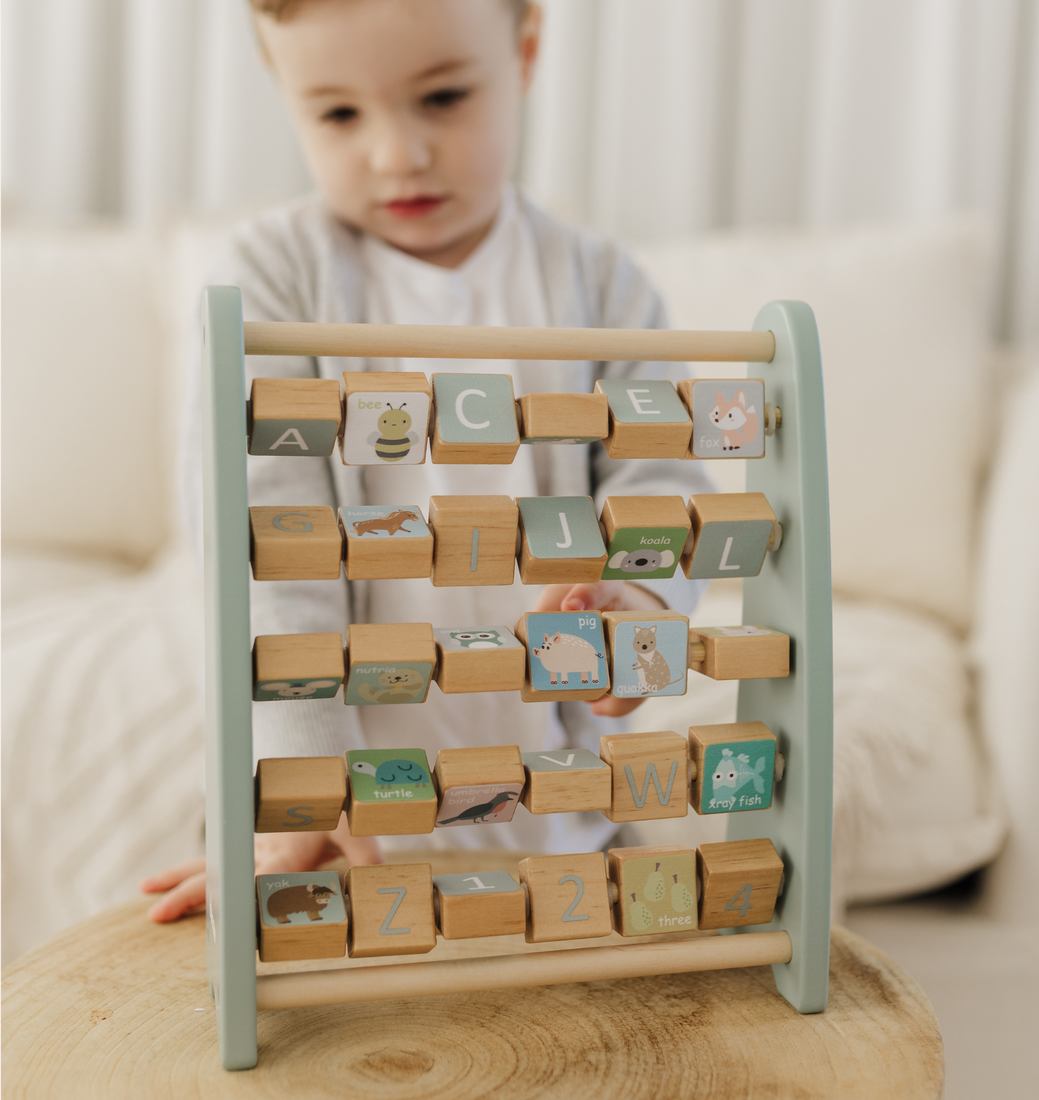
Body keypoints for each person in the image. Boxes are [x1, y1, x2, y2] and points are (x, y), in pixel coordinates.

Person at [143, 0, 713, 922]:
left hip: (566, 818)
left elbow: (662, 482)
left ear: (525, 51)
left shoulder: (604, 288)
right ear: (280, 89)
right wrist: (301, 791)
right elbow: (263, 565)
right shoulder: (270, 280)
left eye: (442, 97)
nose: (396, 154)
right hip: (354, 825)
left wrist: (635, 606)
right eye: (338, 114)